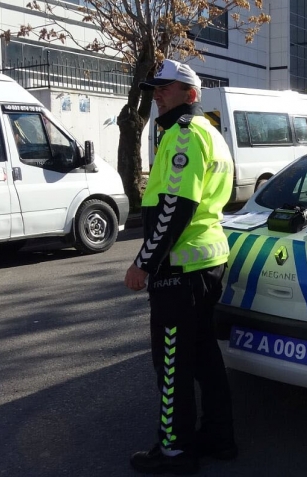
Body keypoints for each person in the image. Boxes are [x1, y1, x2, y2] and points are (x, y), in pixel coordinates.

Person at [124, 58, 236, 476]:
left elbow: (176, 208)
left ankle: (174, 452)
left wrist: (144, 263)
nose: (158, 93)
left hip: (181, 268)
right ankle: (219, 439)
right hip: (204, 263)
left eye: (167, 88)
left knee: (171, 362)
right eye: (156, 88)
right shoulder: (209, 132)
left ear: (190, 94)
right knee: (204, 356)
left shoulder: (185, 136)